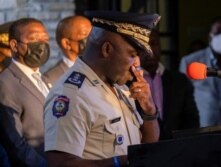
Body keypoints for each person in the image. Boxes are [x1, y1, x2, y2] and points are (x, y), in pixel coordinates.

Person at [44, 10, 161, 167]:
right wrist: (119, 162)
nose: (137, 64)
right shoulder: (72, 94)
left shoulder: (121, 88)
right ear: (107, 49)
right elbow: (60, 163)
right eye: (132, 55)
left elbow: (147, 152)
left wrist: (149, 112)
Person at [0, 18, 50, 167]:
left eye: (45, 39)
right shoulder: (5, 83)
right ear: (14, 45)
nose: (42, 44)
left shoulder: (42, 78)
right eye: (34, 39)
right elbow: (15, 143)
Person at [140, 29, 199, 139]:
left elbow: (192, 121)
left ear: (160, 46)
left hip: (177, 149)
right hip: (144, 149)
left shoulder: (180, 81)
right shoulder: (128, 83)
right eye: (144, 45)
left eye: (154, 44)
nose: (149, 50)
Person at [43, 15, 92, 85]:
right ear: (67, 44)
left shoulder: (99, 68)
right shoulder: (51, 79)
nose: (92, 38)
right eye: (85, 35)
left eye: (92, 33)